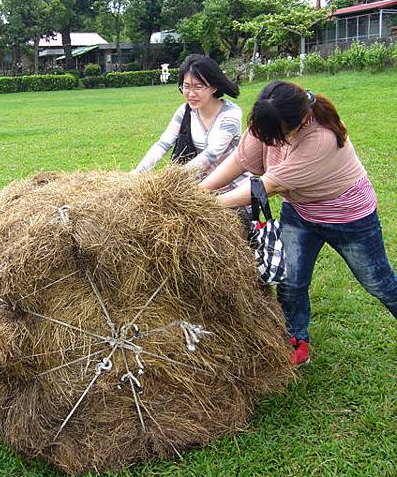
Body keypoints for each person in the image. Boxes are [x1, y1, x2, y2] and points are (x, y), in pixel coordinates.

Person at [200, 80, 397, 366]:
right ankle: (296, 340)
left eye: (275, 136)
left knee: (378, 282)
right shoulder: (270, 121)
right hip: (301, 211)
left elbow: (265, 186)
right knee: (291, 281)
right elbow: (238, 162)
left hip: (348, 217)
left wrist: (208, 205)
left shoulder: (321, 138)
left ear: (299, 121)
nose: (266, 140)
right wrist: (197, 194)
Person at [133, 54, 250, 192]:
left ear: (214, 87)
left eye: (198, 87)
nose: (191, 94)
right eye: (186, 86)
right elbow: (163, 144)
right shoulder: (185, 111)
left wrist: (171, 178)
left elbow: (212, 154)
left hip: (234, 188)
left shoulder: (231, 114)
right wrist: (136, 174)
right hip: (203, 189)